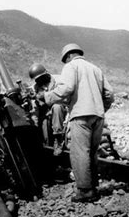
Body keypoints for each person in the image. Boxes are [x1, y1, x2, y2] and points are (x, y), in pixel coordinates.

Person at [37, 43, 114, 202]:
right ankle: (93, 186)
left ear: (68, 57)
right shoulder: (95, 68)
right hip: (98, 116)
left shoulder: (71, 66)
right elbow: (109, 94)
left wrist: (46, 97)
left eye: (65, 60)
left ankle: (85, 191)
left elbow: (66, 89)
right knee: (92, 152)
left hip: (81, 115)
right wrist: (100, 109)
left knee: (80, 153)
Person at [28, 63, 67, 155]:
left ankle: (58, 139)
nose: (39, 81)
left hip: (64, 110)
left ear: (46, 74)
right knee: (44, 123)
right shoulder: (36, 88)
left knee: (57, 107)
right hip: (48, 114)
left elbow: (64, 97)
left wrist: (45, 96)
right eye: (37, 79)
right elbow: (35, 109)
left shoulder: (59, 81)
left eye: (41, 78)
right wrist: (35, 126)